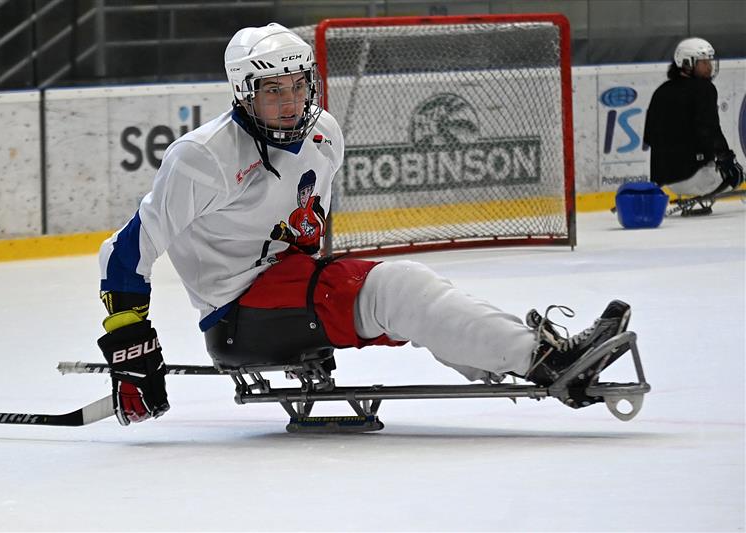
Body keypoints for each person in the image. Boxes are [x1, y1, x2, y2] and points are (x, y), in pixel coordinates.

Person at [96, 23, 631, 426]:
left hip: (291, 289)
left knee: (402, 295)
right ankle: (542, 358)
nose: (289, 103)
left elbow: (306, 229)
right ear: (243, 91)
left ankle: (521, 352)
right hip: (238, 315)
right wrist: (132, 352)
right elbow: (124, 252)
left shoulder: (323, 132)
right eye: (271, 90)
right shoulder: (203, 156)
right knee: (399, 288)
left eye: (297, 85)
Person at [644, 37, 744, 203]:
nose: (709, 67)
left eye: (709, 61)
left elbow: (649, 136)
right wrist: (727, 160)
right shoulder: (704, 89)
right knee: (737, 175)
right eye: (704, 62)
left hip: (666, 182)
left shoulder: (661, 91)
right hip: (697, 178)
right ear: (687, 63)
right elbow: (709, 130)